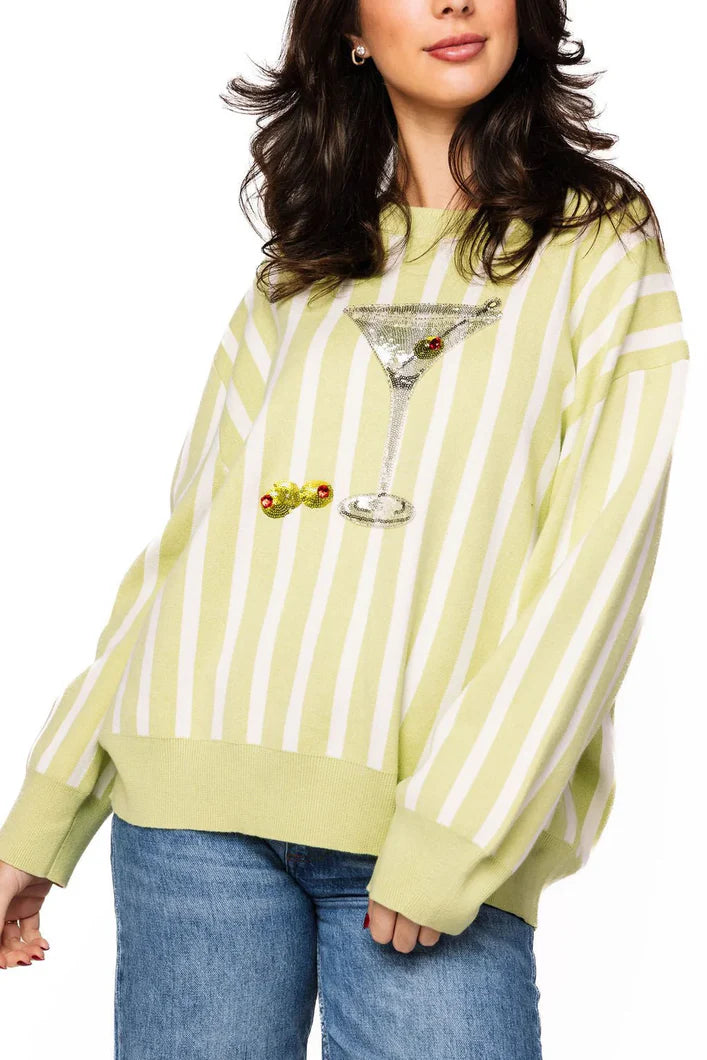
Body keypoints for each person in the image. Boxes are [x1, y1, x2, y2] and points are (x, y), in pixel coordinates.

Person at [0, 0, 690, 1057]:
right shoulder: (304, 260)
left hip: (423, 829)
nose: (452, 2)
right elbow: (192, 545)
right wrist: (46, 812)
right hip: (189, 811)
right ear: (351, 29)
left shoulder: (598, 243)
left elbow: (595, 567)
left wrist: (456, 830)